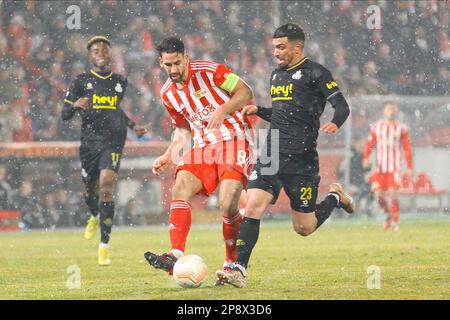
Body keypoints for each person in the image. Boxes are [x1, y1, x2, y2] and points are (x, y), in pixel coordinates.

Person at [216, 23, 355, 288]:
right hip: (272, 151)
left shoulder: (316, 72)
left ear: (297, 47)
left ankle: (336, 197)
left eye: (281, 47)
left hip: (302, 160)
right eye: (274, 48)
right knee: (253, 205)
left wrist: (335, 123)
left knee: (304, 228)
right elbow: (283, 113)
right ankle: (239, 270)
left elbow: (342, 105)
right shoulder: (275, 75)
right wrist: (259, 110)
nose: (276, 52)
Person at [143, 37, 254, 285]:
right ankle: (175, 254)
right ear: (161, 63)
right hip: (203, 147)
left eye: (178, 63)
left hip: (234, 140)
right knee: (180, 185)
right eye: (168, 65)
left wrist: (223, 109)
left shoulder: (213, 72)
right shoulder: (167, 94)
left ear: (186, 57)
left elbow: (246, 92)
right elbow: (183, 130)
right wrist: (169, 154)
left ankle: (231, 264)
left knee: (227, 203)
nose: (174, 70)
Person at [62, 36, 147, 266]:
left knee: (106, 186)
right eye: (95, 50)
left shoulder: (120, 82)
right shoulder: (80, 81)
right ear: (90, 56)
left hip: (113, 142)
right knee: (90, 192)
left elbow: (115, 110)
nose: (100, 53)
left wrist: (131, 126)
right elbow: (64, 114)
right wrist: (74, 105)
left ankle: (104, 247)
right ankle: (93, 215)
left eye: (104, 50)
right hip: (89, 144)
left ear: (110, 55)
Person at [363, 101, 413, 231]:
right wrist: (366, 157)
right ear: (384, 111)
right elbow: (370, 143)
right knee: (378, 195)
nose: (391, 111)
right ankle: (388, 215)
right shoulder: (376, 127)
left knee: (394, 194)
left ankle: (395, 222)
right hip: (379, 168)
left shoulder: (401, 128)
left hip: (394, 167)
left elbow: (407, 148)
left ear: (395, 111)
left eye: (393, 109)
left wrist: (409, 167)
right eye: (389, 109)